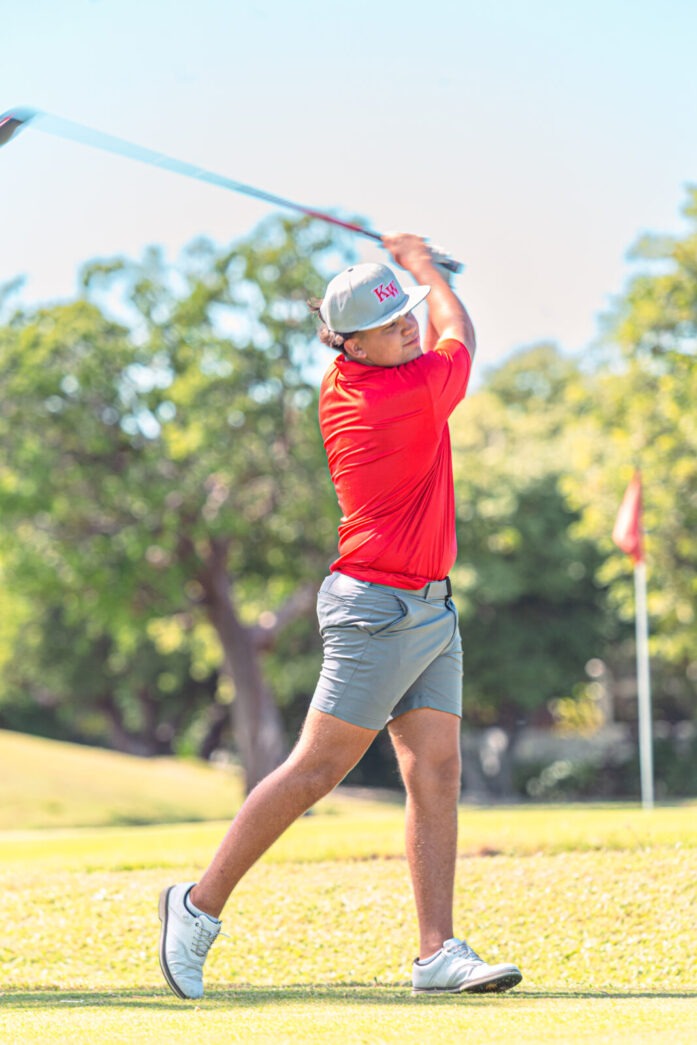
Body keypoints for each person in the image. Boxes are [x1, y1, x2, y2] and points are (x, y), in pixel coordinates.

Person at [158, 233, 523, 999]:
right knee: (316, 769)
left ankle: (435, 954)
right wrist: (424, 267)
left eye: (408, 317)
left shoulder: (346, 376)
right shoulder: (408, 390)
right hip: (376, 609)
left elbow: (428, 331)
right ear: (354, 342)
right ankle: (195, 907)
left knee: (436, 770)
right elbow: (464, 335)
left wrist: (406, 280)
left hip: (427, 605)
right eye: (394, 327)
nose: (411, 329)